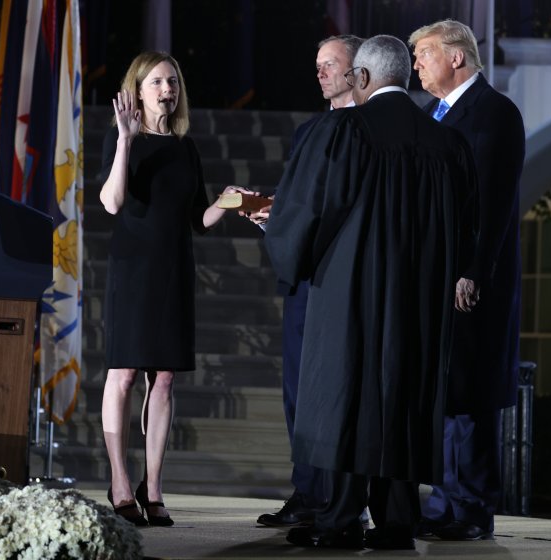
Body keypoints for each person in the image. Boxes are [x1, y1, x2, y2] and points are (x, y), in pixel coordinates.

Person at [264, 34, 478, 550]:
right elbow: (469, 228)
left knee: (347, 391)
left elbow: (311, 211)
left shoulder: (342, 132)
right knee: (403, 393)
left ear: (360, 79)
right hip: (418, 302)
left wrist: (290, 249)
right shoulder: (447, 144)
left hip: (350, 291)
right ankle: (397, 520)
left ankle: (340, 517)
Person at [98, 51, 236, 526]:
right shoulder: (124, 140)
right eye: (156, 81)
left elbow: (199, 219)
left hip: (174, 270)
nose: (166, 89)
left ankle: (152, 488)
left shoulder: (185, 147)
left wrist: (229, 201)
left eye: (172, 81)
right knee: (125, 374)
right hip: (133, 270)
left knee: (166, 378)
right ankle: (119, 481)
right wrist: (124, 142)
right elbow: (113, 203)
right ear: (138, 90)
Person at [408, 19, 526, 540]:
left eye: (424, 54)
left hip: (472, 281)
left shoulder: (495, 112)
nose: (416, 64)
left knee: (472, 395)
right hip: (439, 276)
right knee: (448, 394)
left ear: (456, 57)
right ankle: (446, 500)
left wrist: (472, 270)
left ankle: (472, 508)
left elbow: (493, 204)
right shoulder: (435, 113)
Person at [254, 33, 364, 530]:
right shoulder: (307, 131)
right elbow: (298, 196)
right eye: (316, 64)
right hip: (303, 278)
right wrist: (270, 212)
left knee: (334, 392)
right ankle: (306, 490)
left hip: (341, 281)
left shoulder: (367, 128)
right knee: (297, 390)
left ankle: (338, 498)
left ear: (356, 70)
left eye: (330, 63)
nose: (319, 72)